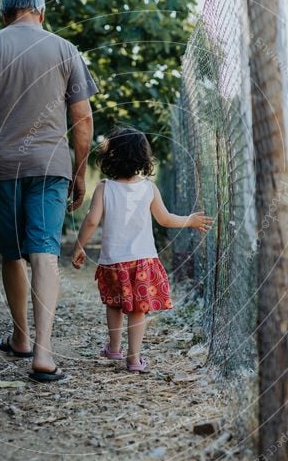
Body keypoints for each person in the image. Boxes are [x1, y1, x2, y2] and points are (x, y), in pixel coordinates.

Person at [0, 0, 98, 382]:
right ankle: (43, 354)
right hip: (50, 165)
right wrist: (81, 170)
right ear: (41, 12)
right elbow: (83, 118)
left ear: (4, 15)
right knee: (45, 252)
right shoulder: (65, 50)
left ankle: (21, 337)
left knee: (12, 252)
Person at [71, 128, 213, 372]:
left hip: (114, 261)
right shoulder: (148, 188)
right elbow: (165, 219)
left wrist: (79, 246)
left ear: (110, 157)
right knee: (139, 309)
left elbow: (92, 220)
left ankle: (114, 348)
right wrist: (189, 220)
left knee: (115, 303)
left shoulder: (105, 188)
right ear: (143, 158)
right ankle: (134, 358)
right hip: (143, 260)